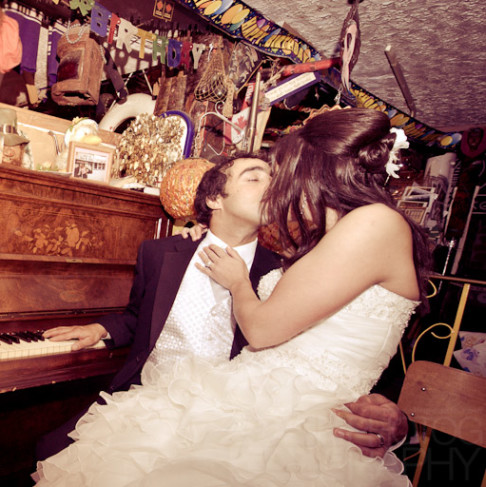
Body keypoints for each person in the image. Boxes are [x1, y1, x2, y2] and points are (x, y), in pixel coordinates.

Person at [34, 108, 430, 486]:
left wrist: (400, 420)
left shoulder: (307, 250)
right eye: (256, 177)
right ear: (214, 201)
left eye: (278, 173)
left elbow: (364, 354)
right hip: (164, 405)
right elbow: (138, 317)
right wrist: (99, 328)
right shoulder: (167, 251)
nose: (278, 184)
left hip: (270, 422)